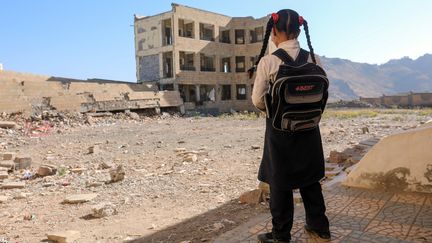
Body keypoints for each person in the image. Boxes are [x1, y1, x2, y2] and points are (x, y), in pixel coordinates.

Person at [249, 9, 331, 242]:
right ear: (298, 30)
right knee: (310, 181)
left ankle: (281, 235)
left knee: (280, 183)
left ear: (275, 31)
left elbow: (257, 100)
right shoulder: (313, 59)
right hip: (309, 132)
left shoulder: (269, 61)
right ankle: (319, 228)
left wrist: (276, 111)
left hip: (279, 132)